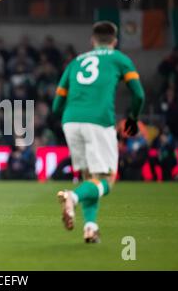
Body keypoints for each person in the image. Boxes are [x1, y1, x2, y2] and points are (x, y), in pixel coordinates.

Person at [52, 21, 145, 243]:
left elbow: (56, 105)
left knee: (90, 179)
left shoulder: (76, 62)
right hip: (99, 121)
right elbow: (139, 95)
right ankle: (72, 197)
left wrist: (71, 115)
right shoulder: (119, 59)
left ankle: (91, 228)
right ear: (115, 41)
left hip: (70, 121)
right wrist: (132, 118)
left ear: (92, 41)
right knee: (107, 179)